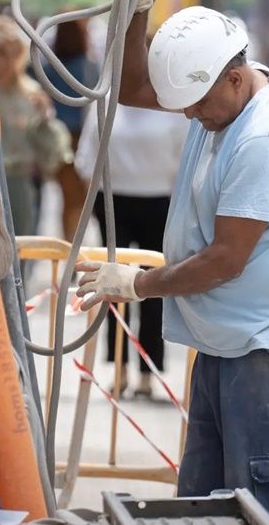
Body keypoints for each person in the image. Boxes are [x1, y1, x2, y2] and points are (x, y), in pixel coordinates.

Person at [74, 0, 269, 524]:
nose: (187, 116)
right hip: (227, 349)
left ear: (234, 78)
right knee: (204, 509)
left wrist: (137, 285)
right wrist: (139, 7)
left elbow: (226, 260)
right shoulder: (226, 101)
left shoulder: (263, 139)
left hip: (267, 355)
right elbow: (134, 86)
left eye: (195, 104)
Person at [75, 101, 188, 398]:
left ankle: (147, 372)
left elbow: (185, 157)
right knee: (112, 285)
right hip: (113, 201)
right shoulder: (108, 97)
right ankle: (119, 368)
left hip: (160, 201)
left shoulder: (169, 103)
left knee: (153, 287)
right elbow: (86, 156)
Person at [0, 15, 73, 236]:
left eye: (8, 54)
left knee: (22, 247)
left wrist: (45, 120)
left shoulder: (30, 93)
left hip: (20, 181)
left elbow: (53, 149)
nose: (1, 62)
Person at [40, 15, 97, 241]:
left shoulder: (47, 67)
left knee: (68, 199)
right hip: (85, 138)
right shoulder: (90, 65)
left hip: (57, 140)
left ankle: (69, 246)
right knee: (83, 199)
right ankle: (77, 250)